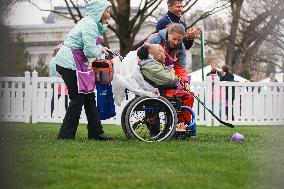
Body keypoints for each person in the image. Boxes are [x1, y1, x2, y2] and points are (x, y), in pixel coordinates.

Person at [51, 0, 112, 140]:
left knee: (89, 97)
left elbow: (90, 46)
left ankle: (96, 133)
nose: (109, 15)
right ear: (98, 10)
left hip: (77, 63)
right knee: (77, 99)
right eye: (107, 11)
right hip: (69, 63)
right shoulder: (89, 24)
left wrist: (100, 45)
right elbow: (90, 50)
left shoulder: (92, 23)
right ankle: (66, 135)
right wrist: (100, 49)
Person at [145, 23, 195, 134]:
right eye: (174, 39)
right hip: (151, 79)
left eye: (179, 40)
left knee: (188, 96)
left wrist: (185, 82)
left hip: (168, 81)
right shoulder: (155, 38)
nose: (176, 42)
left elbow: (180, 67)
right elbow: (142, 57)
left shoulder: (180, 47)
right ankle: (155, 129)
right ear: (168, 33)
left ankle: (181, 127)